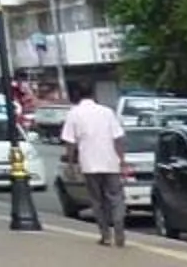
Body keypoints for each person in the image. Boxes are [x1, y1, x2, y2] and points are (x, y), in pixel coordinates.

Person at [59, 79, 127, 249]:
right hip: (110, 161)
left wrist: (71, 163)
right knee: (116, 198)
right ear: (93, 94)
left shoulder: (74, 114)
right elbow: (117, 138)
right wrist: (122, 159)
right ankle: (119, 227)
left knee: (97, 200)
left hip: (89, 163)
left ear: (77, 95)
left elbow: (70, 142)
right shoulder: (107, 112)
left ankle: (105, 235)